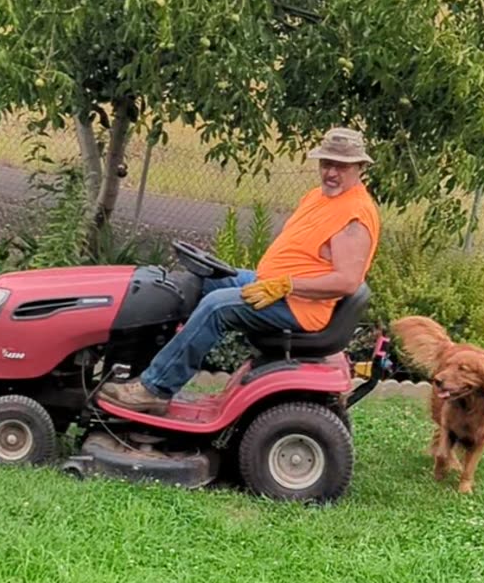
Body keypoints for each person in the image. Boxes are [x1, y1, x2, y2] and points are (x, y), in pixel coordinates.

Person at [99, 126, 382, 415]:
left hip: (301, 307)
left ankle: (155, 389)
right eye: (326, 163)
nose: (331, 173)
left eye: (341, 166)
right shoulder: (320, 196)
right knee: (196, 281)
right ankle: (137, 366)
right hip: (272, 285)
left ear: (359, 167)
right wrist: (276, 282)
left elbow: (347, 281)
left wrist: (285, 285)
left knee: (215, 306)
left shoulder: (354, 216)